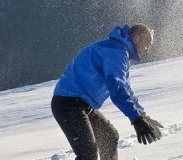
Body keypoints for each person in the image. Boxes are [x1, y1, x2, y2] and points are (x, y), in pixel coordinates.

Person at [51, 23, 164, 159]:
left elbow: (126, 89)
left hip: (82, 104)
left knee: (109, 137)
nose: (147, 50)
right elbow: (117, 89)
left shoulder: (120, 51)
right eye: (147, 44)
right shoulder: (116, 52)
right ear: (135, 38)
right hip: (67, 104)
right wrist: (136, 120)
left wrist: (142, 115)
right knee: (88, 153)